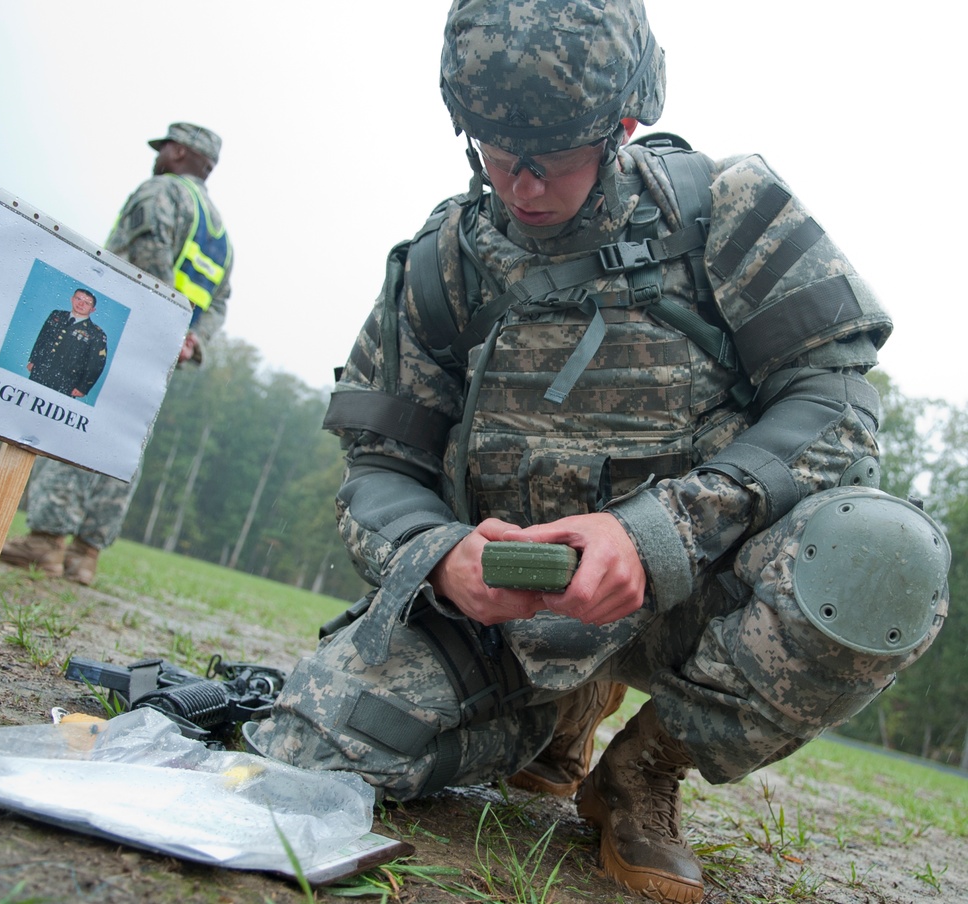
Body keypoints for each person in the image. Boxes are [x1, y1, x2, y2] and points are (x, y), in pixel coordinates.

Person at [250, 3, 950, 903]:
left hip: (703, 594)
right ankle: (548, 712)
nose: (521, 187)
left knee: (884, 558)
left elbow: (837, 402)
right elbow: (379, 463)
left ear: (621, 126)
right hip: (512, 610)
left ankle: (646, 766)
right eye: (496, 156)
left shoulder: (727, 209)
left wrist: (656, 533)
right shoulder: (442, 264)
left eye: (548, 160)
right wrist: (441, 555)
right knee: (312, 747)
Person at [0, 122, 233, 585]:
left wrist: (162, 321)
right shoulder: (220, 233)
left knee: (66, 417)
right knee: (121, 441)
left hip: (122, 333)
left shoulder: (162, 192)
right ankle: (85, 556)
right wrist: (190, 337)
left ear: (181, 152)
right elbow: (220, 300)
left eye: (164, 147)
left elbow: (145, 255)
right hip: (162, 353)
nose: (158, 154)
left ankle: (46, 543)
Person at [26, 287, 108, 398]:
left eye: (87, 303)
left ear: (92, 309)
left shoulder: (97, 334)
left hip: (66, 382)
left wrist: (83, 387)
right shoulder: (56, 315)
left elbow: (96, 365)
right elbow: (42, 338)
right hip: (40, 371)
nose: (81, 304)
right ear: (72, 299)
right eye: (78, 299)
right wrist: (33, 360)